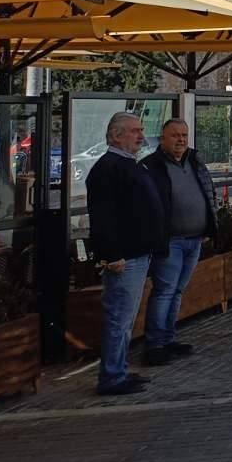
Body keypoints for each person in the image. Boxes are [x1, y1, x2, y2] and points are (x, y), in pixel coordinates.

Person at [85, 112, 167, 396]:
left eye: (141, 130)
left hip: (139, 253)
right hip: (124, 258)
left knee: (126, 318)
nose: (140, 136)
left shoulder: (130, 165)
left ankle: (118, 369)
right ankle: (111, 376)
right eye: (134, 131)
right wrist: (111, 254)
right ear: (116, 136)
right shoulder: (108, 168)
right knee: (118, 317)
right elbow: (103, 217)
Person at [141, 119, 218, 365]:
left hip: (195, 240)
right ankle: (155, 345)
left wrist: (209, 224)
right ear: (162, 138)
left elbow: (209, 191)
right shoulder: (151, 166)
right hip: (170, 242)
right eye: (175, 135)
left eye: (184, 135)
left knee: (177, 291)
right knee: (164, 291)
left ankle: (168, 339)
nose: (181, 140)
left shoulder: (195, 161)